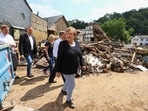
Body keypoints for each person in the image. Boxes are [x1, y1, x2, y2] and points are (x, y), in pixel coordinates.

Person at [56, 27, 86, 108]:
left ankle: (63, 90)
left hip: (74, 68)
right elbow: (59, 57)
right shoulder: (63, 44)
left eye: (70, 34)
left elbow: (80, 55)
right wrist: (57, 70)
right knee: (72, 84)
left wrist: (82, 64)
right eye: (67, 34)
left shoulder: (77, 43)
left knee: (69, 81)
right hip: (65, 68)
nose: (68, 35)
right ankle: (68, 100)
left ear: (74, 35)